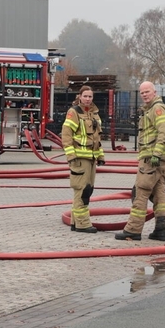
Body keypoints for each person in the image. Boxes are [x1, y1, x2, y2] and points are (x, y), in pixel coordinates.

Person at [115, 81, 165, 241]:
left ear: (154, 92)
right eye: (142, 93)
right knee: (158, 193)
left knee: (140, 192)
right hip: (156, 159)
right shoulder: (150, 109)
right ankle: (161, 228)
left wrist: (157, 153)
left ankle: (133, 229)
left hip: (152, 159)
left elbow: (163, 131)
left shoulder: (157, 108)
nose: (145, 95)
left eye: (147, 92)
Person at [62, 85, 106, 233]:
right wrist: (71, 156)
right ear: (79, 96)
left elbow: (97, 138)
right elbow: (66, 135)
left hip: (91, 158)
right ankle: (82, 224)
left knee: (88, 190)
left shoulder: (94, 114)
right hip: (79, 158)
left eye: (90, 96)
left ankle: (76, 222)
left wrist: (100, 155)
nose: (88, 99)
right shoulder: (74, 112)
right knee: (82, 190)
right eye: (85, 96)